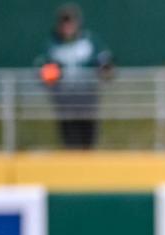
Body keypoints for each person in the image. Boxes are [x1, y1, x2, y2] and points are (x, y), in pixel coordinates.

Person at [35, 3, 113, 149]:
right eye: (64, 21)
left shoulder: (89, 41)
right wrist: (49, 74)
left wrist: (105, 70)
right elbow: (42, 69)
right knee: (70, 141)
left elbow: (105, 61)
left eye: (70, 21)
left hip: (87, 99)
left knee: (88, 139)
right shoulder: (52, 44)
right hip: (64, 101)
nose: (67, 25)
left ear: (77, 22)